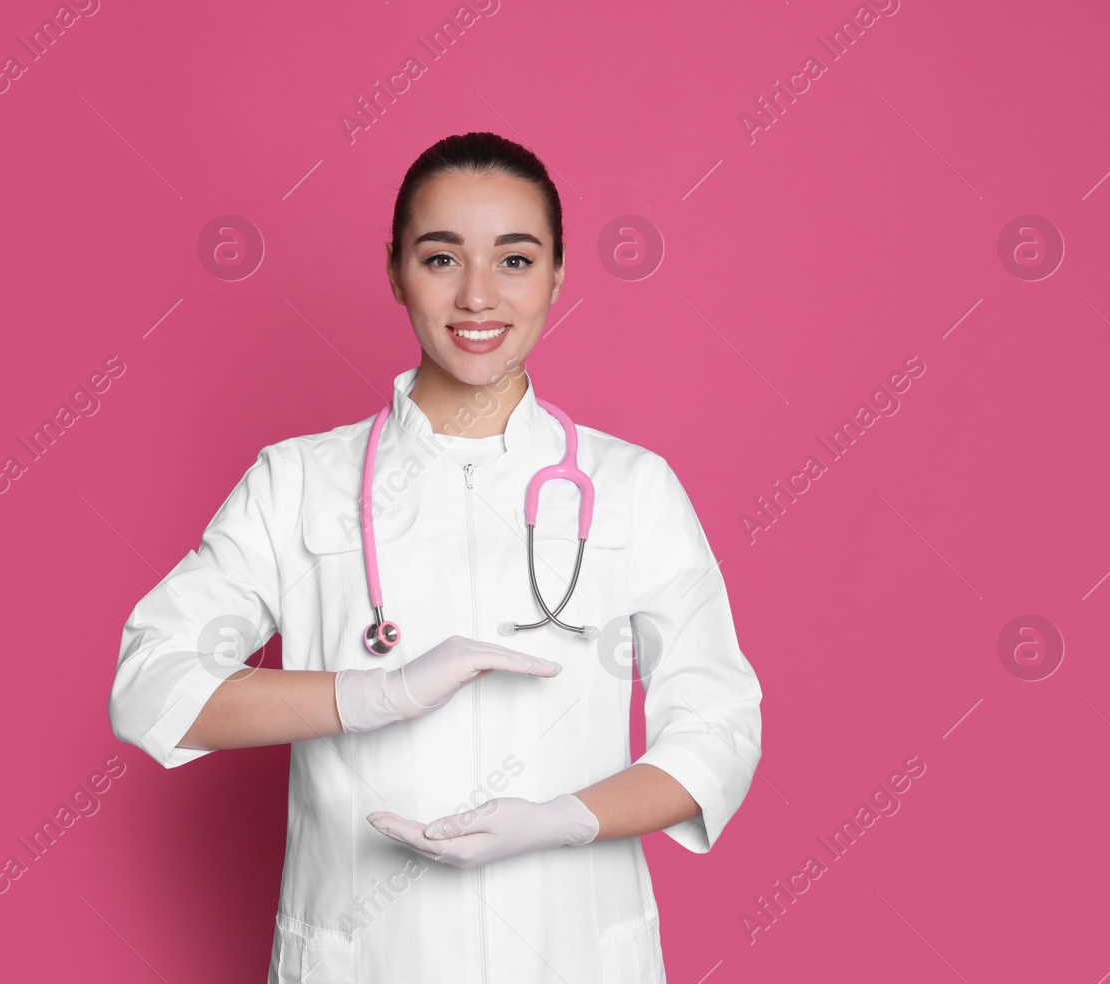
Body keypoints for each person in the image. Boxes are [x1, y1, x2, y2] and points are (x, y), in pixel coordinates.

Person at [108, 131, 763, 983]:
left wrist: (563, 819)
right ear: (394, 271)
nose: (478, 295)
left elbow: (719, 730)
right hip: (367, 956)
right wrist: (369, 696)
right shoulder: (297, 481)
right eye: (441, 257)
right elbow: (150, 685)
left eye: (516, 260)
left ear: (560, 273)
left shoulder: (633, 487)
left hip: (570, 951)